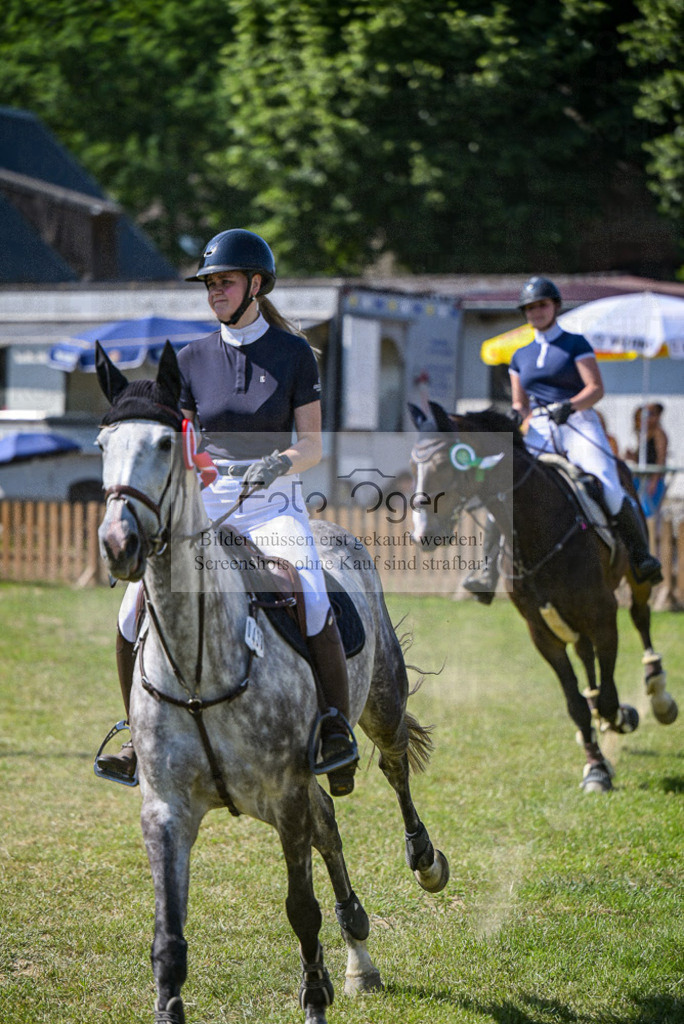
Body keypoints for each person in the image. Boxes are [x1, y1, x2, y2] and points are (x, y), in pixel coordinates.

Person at [96, 229, 358, 796]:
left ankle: (335, 728)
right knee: (130, 607)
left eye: (225, 282)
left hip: (272, 504)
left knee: (310, 592)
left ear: (256, 285)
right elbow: (188, 440)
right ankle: (135, 737)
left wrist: (278, 462)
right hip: (209, 502)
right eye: (210, 284)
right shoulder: (190, 358)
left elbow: (312, 446)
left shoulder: (294, 355)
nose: (215, 291)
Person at [463, 275, 662, 598]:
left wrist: (569, 406)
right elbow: (520, 402)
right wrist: (517, 416)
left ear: (554, 306)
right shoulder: (519, 356)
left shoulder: (575, 343)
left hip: (579, 423)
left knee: (607, 483)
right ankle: (487, 573)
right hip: (540, 427)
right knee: (501, 490)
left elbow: (595, 389)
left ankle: (641, 557)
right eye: (530, 307)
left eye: (542, 305)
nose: (536, 311)